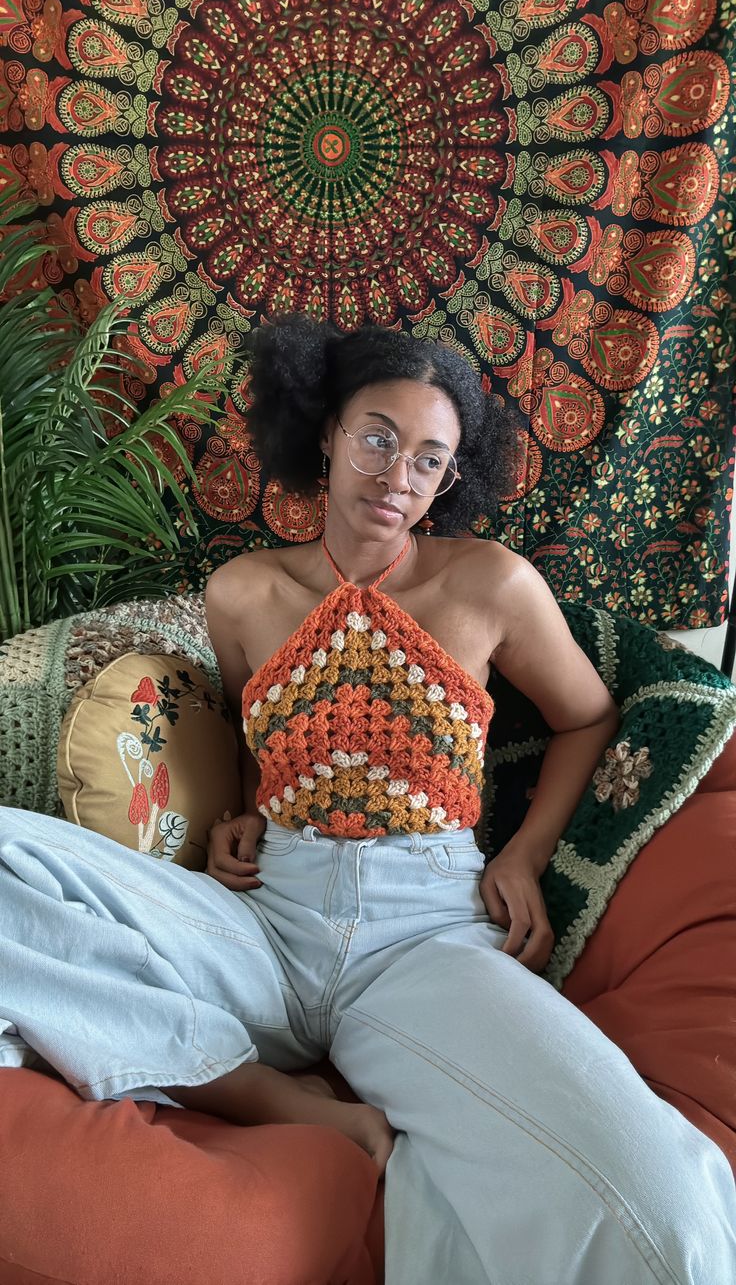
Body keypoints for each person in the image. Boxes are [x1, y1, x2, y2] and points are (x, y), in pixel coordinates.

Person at [0, 315, 734, 1285]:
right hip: (260, 928)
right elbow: (262, 743)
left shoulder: (491, 586)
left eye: (430, 458)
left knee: (658, 1201)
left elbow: (589, 718)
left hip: (422, 939)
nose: (398, 476)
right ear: (326, 433)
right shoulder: (241, 592)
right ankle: (258, 1089)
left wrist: (521, 855)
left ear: (452, 477)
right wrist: (249, 818)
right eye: (379, 437)